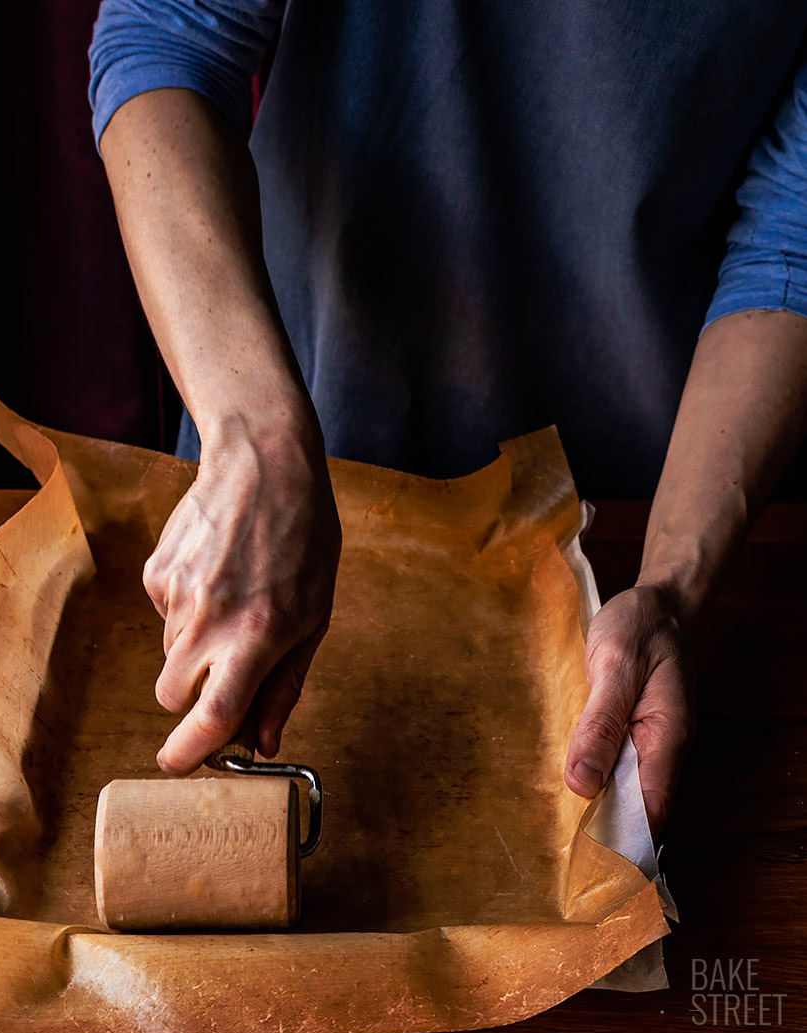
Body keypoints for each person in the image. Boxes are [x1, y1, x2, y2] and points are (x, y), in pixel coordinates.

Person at [88, 1, 807, 832]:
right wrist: (255, 431)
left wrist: (672, 589)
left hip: (637, 525)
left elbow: (790, 240)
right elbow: (164, 36)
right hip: (269, 483)